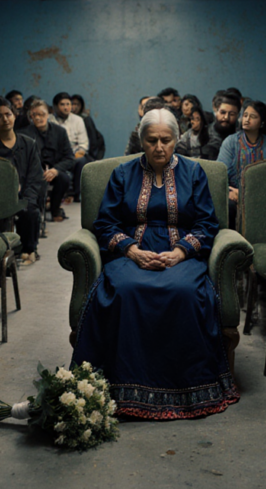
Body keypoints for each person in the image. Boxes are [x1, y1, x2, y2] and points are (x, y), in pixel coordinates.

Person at [70, 108, 240, 420]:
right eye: (151, 141)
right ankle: (123, 386)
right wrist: (132, 251)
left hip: (182, 254)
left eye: (166, 140)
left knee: (187, 292)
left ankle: (185, 387)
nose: (159, 147)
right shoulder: (122, 174)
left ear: (177, 140)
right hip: (131, 252)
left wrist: (181, 252)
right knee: (124, 289)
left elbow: (207, 224)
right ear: (141, 141)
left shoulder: (194, 173)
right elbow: (105, 224)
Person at [0, 98, 44, 266]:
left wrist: (26, 196)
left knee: (30, 210)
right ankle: (2, 251)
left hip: (23, 195)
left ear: (15, 116)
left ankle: (29, 249)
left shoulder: (28, 144)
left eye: (8, 114)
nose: (5, 119)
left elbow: (35, 176)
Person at [217, 100, 266, 228]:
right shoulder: (230, 142)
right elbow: (220, 174)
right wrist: (229, 190)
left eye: (253, 117)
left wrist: (249, 195)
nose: (246, 119)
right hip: (233, 194)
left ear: (262, 122)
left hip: (261, 196)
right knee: (227, 207)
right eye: (245, 115)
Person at [20, 100, 74, 222]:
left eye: (42, 114)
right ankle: (36, 214)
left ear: (48, 115)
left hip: (54, 169)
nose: (38, 118)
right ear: (30, 116)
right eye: (34, 115)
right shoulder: (24, 134)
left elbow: (70, 157)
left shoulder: (60, 132)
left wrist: (56, 170)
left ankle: (55, 209)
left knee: (64, 178)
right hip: (33, 172)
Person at [50, 92, 90, 201]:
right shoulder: (50, 120)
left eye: (68, 104)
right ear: (55, 106)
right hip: (55, 157)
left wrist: (74, 156)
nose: (66, 107)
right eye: (62, 104)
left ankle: (76, 194)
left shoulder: (78, 120)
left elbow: (83, 144)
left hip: (74, 155)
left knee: (82, 161)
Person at [71, 94, 106, 161]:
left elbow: (93, 141)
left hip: (90, 154)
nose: (74, 107)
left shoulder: (86, 119)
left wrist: (92, 158)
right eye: (72, 104)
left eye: (77, 104)